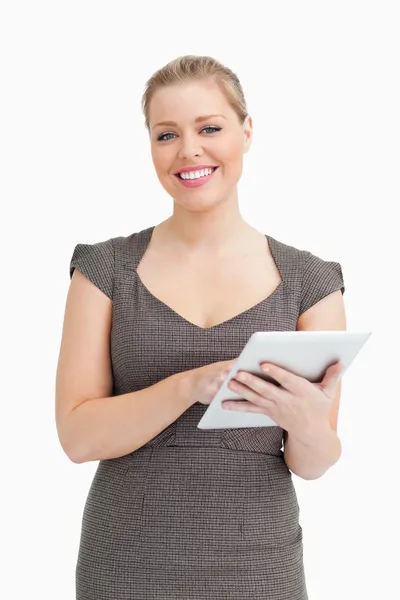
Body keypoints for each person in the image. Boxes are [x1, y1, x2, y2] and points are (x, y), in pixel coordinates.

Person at [55, 55, 346, 599]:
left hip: (258, 566)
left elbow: (315, 461)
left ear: (246, 131)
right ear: (150, 146)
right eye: (167, 134)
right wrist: (190, 386)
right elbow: (76, 436)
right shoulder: (105, 271)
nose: (189, 149)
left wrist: (306, 422)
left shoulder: (311, 281)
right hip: (126, 561)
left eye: (209, 127)